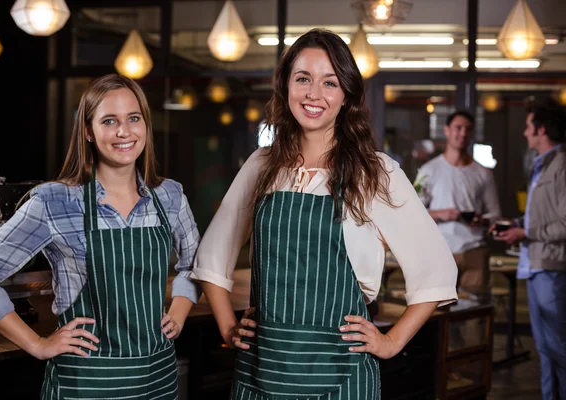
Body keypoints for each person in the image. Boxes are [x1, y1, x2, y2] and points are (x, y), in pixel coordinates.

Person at [192, 29, 457, 399]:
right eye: (303, 79)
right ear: (286, 86)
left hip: (342, 375)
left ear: (346, 95)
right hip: (261, 370)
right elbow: (212, 255)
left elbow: (436, 269)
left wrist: (391, 341)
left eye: (329, 82)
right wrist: (227, 327)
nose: (314, 94)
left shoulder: (374, 172)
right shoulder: (262, 165)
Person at [0, 74, 201, 399]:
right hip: (86, 382)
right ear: (88, 131)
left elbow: (195, 264)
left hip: (157, 378)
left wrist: (179, 311)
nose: (124, 131)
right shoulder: (55, 201)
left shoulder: (168, 196)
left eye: (134, 118)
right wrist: (38, 344)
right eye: (109, 121)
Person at [493, 98, 566, 400]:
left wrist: (526, 231)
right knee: (545, 348)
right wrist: (515, 223)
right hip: (536, 266)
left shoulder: (562, 166)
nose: (525, 133)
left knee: (559, 348)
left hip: (552, 268)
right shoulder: (542, 166)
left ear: (542, 128)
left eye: (528, 126)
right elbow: (545, 216)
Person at [415, 111, 501, 299]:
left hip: (474, 249)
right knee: (438, 311)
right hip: (440, 250)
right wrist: (440, 214)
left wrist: (483, 219)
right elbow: (413, 213)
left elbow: (495, 213)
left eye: (468, 129)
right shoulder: (429, 170)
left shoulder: (483, 172)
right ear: (446, 130)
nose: (463, 133)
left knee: (474, 316)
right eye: (458, 128)